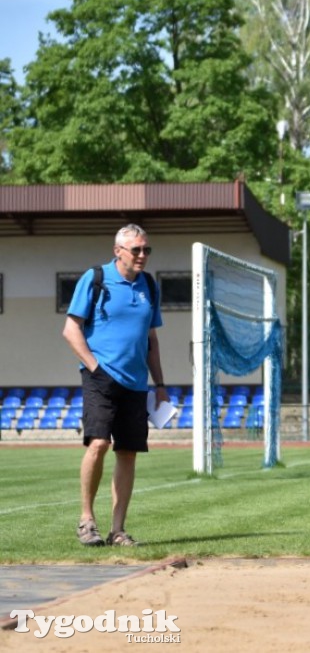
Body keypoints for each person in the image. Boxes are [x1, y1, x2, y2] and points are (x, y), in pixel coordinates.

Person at [63, 224, 168, 547]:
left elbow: (151, 339)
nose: (142, 255)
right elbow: (70, 330)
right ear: (118, 251)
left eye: (146, 249)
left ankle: (117, 530)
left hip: (136, 385)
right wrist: (96, 369)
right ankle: (86, 520)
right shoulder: (95, 279)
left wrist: (160, 384)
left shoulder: (149, 285)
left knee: (128, 453)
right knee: (98, 444)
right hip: (100, 378)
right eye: (136, 249)